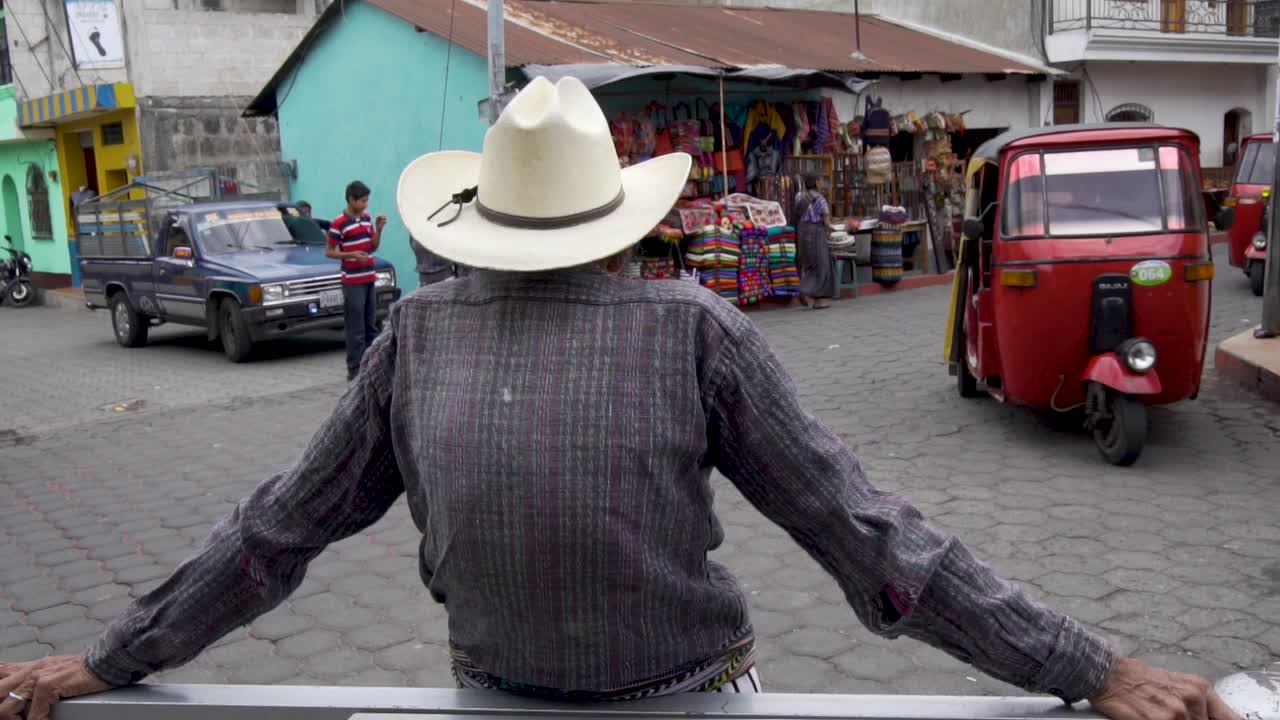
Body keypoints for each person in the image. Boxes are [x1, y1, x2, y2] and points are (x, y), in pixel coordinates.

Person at [0, 76, 1238, 720]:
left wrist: (113, 659)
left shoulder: (419, 336)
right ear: (618, 222)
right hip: (682, 695)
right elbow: (866, 538)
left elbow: (277, 534)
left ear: (478, 219)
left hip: (495, 693)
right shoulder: (687, 329)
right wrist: (1087, 666)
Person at [325, 181, 387, 381]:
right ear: (351, 200)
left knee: (371, 324)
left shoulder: (367, 219)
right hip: (352, 281)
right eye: (362, 201)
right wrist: (350, 254)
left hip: (368, 277)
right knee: (356, 326)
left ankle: (372, 366)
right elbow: (330, 252)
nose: (366, 205)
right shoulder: (338, 223)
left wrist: (379, 229)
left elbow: (372, 247)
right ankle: (354, 369)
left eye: (367, 200)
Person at [795, 175, 833, 309]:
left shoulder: (799, 197)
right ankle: (813, 296)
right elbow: (827, 223)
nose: (822, 183)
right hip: (816, 233)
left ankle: (806, 291)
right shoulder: (820, 199)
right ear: (817, 182)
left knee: (808, 264)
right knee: (821, 265)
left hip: (802, 232)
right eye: (821, 180)